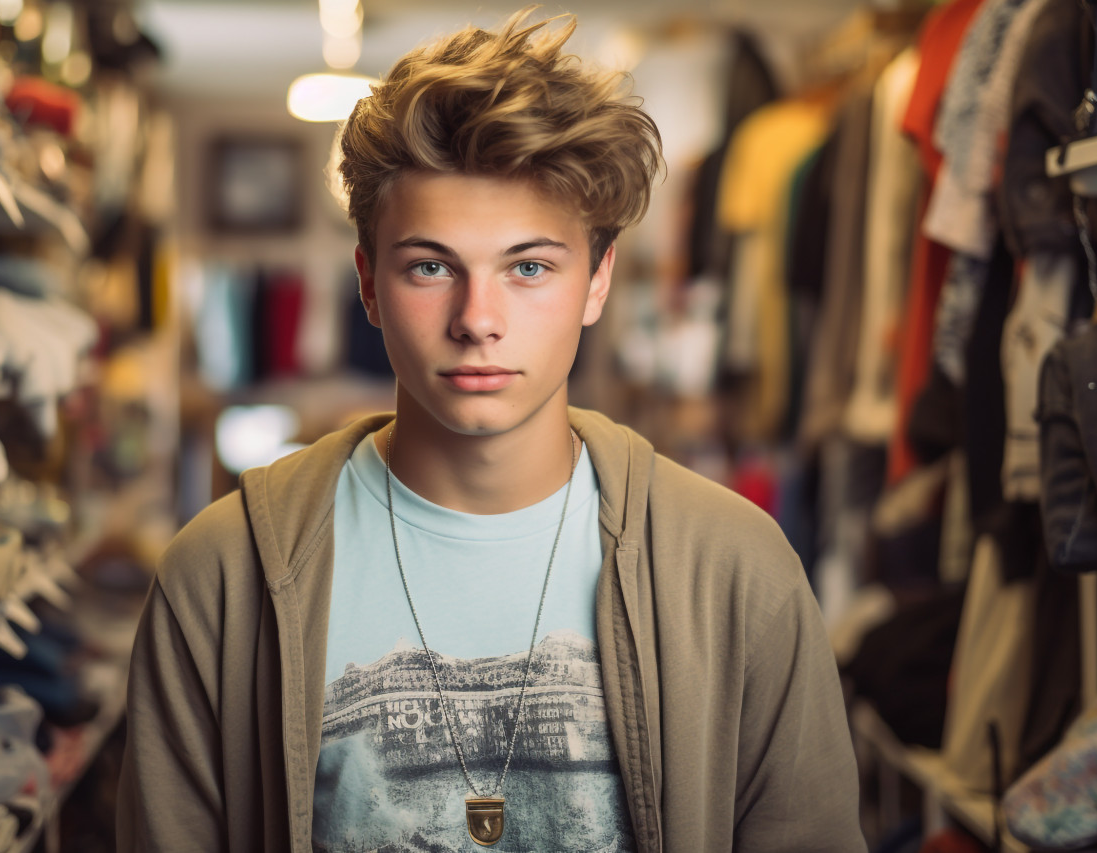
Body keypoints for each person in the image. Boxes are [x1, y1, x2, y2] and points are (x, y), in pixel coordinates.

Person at [117, 8, 864, 852]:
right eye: (431, 266)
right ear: (368, 282)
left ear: (597, 281)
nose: (479, 319)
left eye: (530, 267)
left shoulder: (736, 569)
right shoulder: (221, 577)